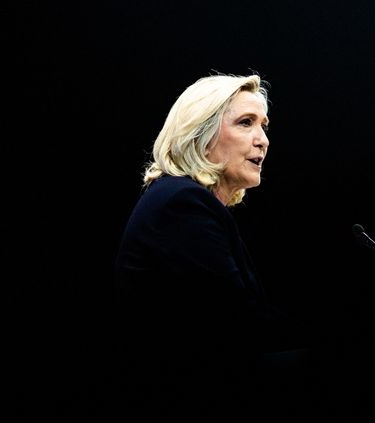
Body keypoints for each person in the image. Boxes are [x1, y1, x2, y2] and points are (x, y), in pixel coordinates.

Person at [111, 73, 314, 421]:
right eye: (245, 123)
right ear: (199, 135)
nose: (262, 140)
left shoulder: (182, 201)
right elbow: (240, 326)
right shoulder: (181, 203)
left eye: (264, 126)